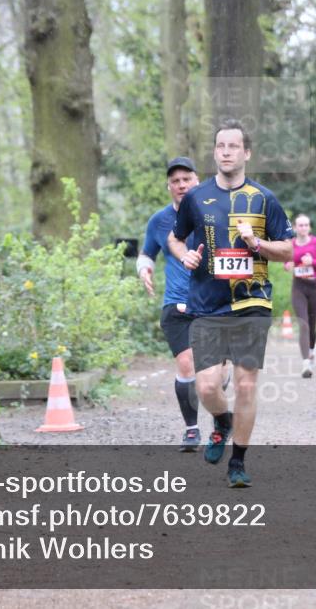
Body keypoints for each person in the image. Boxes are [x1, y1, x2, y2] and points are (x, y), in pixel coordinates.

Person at [168, 119, 293, 488]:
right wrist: (185, 256)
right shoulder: (196, 197)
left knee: (246, 385)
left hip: (252, 302)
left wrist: (257, 244)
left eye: (233, 146)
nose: (226, 152)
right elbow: (175, 238)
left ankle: (237, 461)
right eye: (220, 146)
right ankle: (222, 420)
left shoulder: (263, 198)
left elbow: (288, 249)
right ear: (214, 152)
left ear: (246, 153)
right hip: (207, 303)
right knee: (207, 387)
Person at [137, 157, 205, 452]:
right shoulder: (159, 220)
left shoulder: (214, 214)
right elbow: (147, 253)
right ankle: (191, 430)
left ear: (197, 182)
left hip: (212, 302)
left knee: (217, 373)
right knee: (187, 363)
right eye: (175, 181)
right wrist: (144, 269)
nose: (181, 185)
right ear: (169, 187)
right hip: (176, 304)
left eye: (186, 179)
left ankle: (217, 401)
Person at [283, 214, 316, 378]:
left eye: (306, 225)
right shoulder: (290, 244)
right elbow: (286, 262)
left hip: (315, 288)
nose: (303, 228)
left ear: (309, 227)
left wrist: (313, 262)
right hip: (299, 287)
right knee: (303, 324)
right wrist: (287, 265)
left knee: (311, 325)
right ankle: (306, 364)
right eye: (300, 225)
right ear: (295, 228)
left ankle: (312, 349)